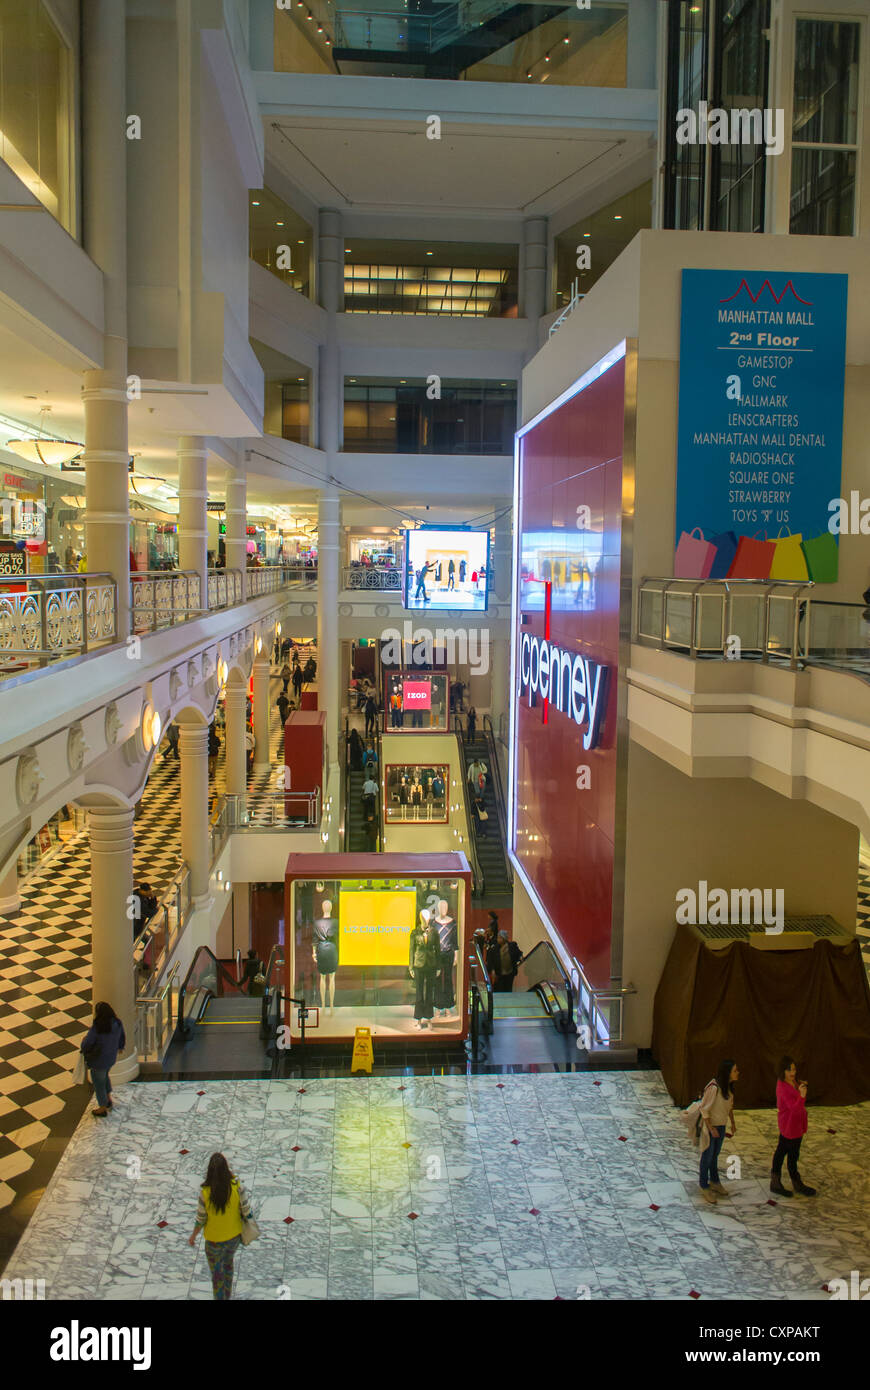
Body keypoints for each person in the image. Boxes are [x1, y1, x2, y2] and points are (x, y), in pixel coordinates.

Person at [188, 1152, 254, 1301]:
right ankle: (227, 1296)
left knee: (217, 1275)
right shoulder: (237, 1187)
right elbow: (246, 1211)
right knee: (228, 1265)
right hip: (233, 1237)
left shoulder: (205, 1193)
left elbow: (201, 1219)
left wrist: (193, 1236)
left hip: (213, 1241)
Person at [770, 1057, 817, 1198]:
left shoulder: (791, 1082)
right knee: (785, 1154)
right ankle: (779, 1182)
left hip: (795, 1125)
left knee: (791, 1154)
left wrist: (799, 1087)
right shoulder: (783, 1087)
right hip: (789, 1126)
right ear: (782, 1071)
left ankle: (791, 1182)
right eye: (789, 1069)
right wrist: (802, 1096)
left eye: (794, 1069)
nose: (793, 1072)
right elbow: (794, 1108)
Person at [698, 1059, 739, 1203]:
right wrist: (710, 1128)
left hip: (721, 1127)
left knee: (715, 1155)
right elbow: (704, 1109)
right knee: (707, 1156)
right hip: (712, 1128)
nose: (737, 1073)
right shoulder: (714, 1088)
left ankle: (715, 1181)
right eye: (735, 1070)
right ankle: (704, 1185)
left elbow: (729, 1107)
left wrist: (732, 1123)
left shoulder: (729, 1088)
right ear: (727, 1073)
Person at [80, 1001, 126, 1118]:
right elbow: (122, 1037)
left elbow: (88, 1043)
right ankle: (109, 1099)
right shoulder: (117, 1023)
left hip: (98, 1060)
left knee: (98, 1083)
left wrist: (83, 1044)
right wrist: (120, 1047)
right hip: (111, 1058)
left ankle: (102, 1107)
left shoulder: (98, 1027)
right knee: (105, 1077)